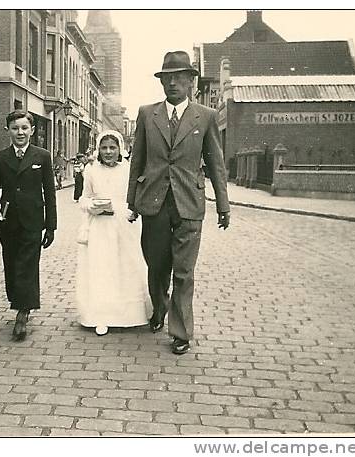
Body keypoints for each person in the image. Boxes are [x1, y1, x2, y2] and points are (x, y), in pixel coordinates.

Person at [127, 51, 230, 355]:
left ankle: (181, 332)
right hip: (154, 202)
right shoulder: (147, 114)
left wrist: (223, 205)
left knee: (184, 271)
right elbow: (138, 160)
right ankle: (159, 308)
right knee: (157, 265)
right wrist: (132, 200)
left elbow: (216, 165)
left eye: (178, 77)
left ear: (190, 80)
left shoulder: (206, 117)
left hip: (189, 202)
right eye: (166, 78)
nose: (172, 83)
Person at [0, 110, 57, 341]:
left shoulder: (42, 156)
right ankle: (18, 299)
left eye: (24, 128)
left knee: (28, 264)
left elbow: (50, 193)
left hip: (33, 220)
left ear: (32, 131)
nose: (20, 132)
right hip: (7, 221)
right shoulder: (0, 158)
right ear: (8, 131)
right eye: (15, 128)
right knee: (12, 265)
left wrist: (51, 226)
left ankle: (23, 313)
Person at [76, 130, 152, 336]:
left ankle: (129, 315)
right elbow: (83, 198)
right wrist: (92, 204)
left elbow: (136, 197)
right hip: (100, 227)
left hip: (123, 225)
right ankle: (101, 316)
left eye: (112, 147)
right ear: (98, 150)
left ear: (119, 149)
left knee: (126, 267)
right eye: (104, 148)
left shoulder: (128, 170)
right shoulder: (91, 171)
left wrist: (129, 209)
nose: (108, 152)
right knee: (102, 269)